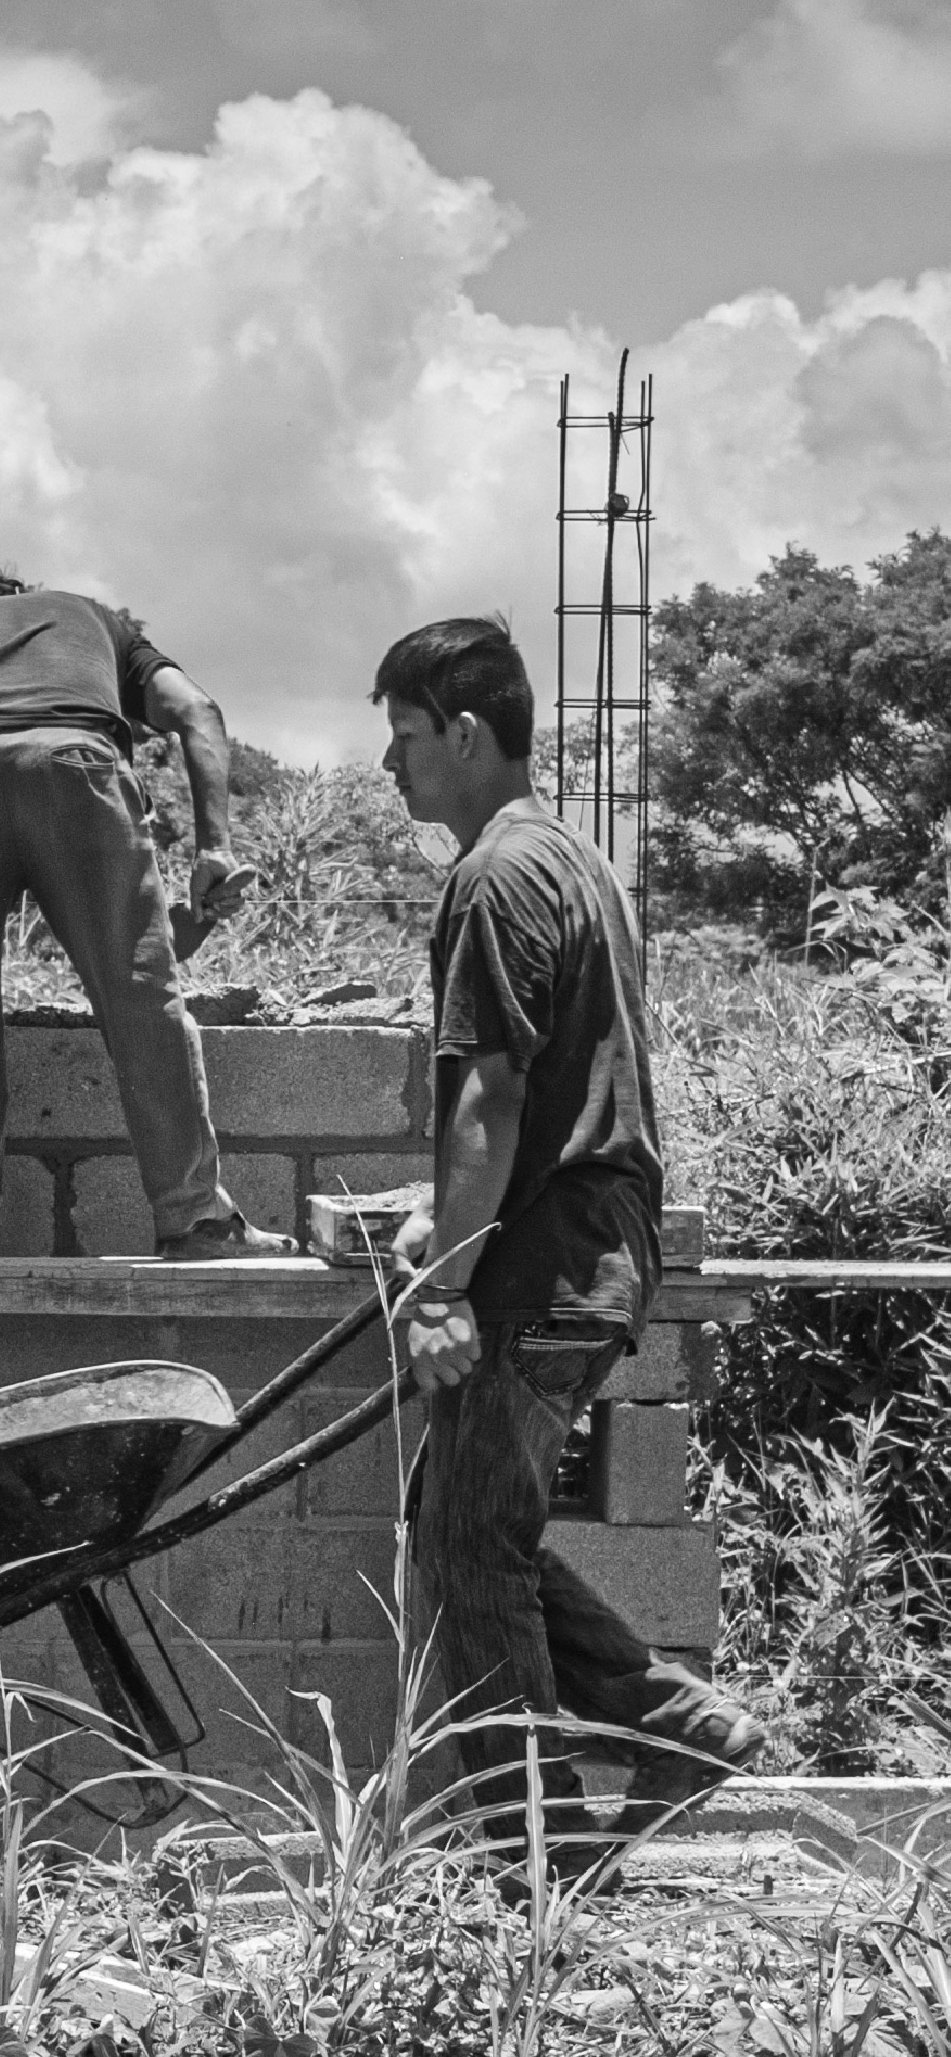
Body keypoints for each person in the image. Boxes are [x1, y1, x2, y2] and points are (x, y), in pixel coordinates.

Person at [374, 615, 763, 1882]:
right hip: (591, 1247)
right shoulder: (575, 861)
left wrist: (439, 1285)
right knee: (464, 1518)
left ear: (468, 733)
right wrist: (448, 1215)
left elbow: (488, 1095)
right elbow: (559, 1092)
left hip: (545, 1265)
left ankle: (530, 1857)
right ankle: (672, 1721)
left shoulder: (493, 876)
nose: (393, 766)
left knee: (466, 1548)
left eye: (408, 737)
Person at [0, 572, 291, 1260]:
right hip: (77, 767)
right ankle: (193, 1220)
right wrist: (213, 847)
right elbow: (197, 710)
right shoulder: (89, 619)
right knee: (143, 1004)